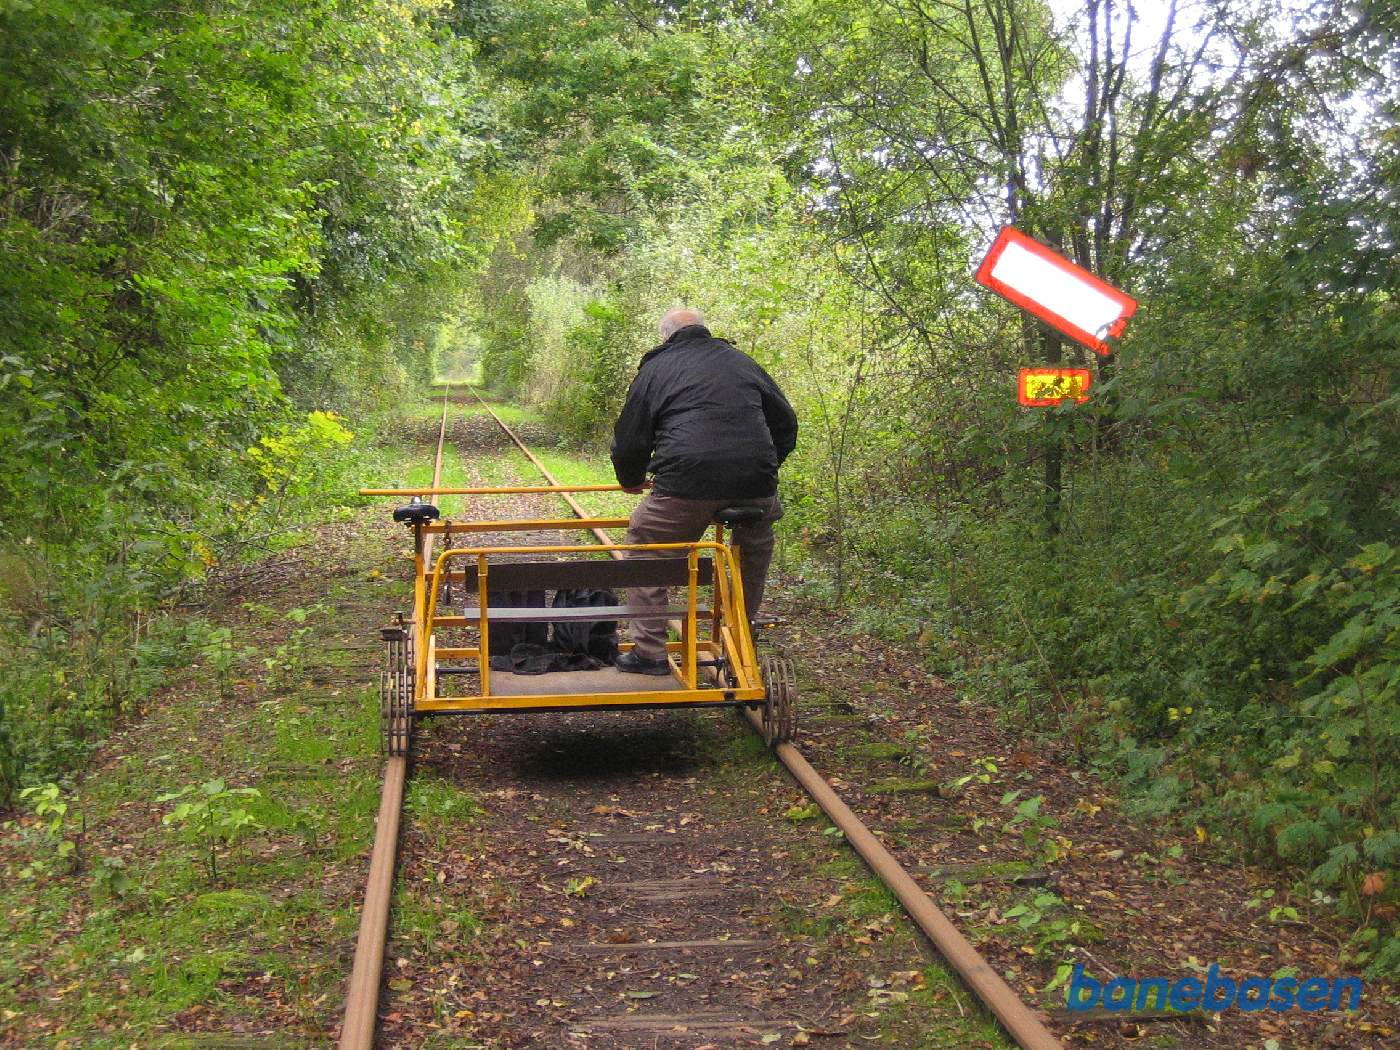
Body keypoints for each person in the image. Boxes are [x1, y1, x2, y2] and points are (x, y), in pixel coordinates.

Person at [610, 308, 798, 675]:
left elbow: (630, 439)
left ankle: (649, 654)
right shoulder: (742, 362)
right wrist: (763, 466)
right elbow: (786, 422)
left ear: (666, 337)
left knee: (646, 548)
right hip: (755, 485)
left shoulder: (656, 369)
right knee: (750, 556)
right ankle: (741, 642)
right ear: (705, 330)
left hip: (687, 482)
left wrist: (630, 479)